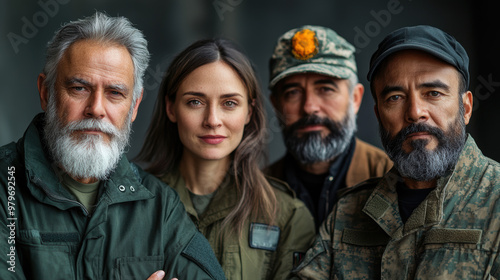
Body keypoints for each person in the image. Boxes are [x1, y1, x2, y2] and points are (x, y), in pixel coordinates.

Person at [0, 12, 225, 280]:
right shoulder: (5, 186)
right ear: (46, 93)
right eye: (79, 88)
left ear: (134, 107)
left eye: (115, 93)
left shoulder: (159, 206)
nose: (96, 109)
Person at [291, 25, 500, 279]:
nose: (414, 111)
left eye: (433, 93)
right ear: (378, 114)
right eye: (395, 98)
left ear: (465, 108)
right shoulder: (348, 211)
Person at [135, 38, 316, 279]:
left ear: (249, 112)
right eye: (195, 102)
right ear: (171, 108)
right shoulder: (133, 205)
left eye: (229, 103)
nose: (212, 120)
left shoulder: (287, 216)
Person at [265, 25, 392, 228]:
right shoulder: (255, 192)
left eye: (325, 89)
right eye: (293, 92)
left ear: (355, 98)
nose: (309, 107)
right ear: (276, 105)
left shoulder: (392, 180)